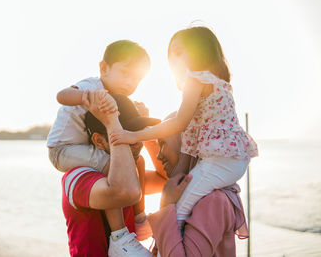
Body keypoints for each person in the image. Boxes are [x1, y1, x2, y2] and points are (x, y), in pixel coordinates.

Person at [110, 26, 258, 230]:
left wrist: (133, 135)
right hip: (231, 159)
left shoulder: (196, 79)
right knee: (180, 203)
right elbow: (190, 142)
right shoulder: (217, 82)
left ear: (200, 52)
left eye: (178, 52)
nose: (173, 60)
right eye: (171, 54)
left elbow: (178, 123)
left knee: (177, 212)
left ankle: (159, 242)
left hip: (220, 161)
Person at [47, 40, 154, 243]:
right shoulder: (93, 86)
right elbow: (61, 95)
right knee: (113, 168)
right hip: (63, 150)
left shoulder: (118, 97)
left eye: (137, 78)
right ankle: (120, 236)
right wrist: (87, 97)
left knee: (136, 161)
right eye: (125, 73)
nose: (131, 82)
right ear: (103, 68)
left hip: (85, 148)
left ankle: (139, 216)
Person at [61, 92, 160, 257]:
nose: (136, 143)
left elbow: (164, 178)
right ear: (99, 141)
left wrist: (146, 134)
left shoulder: (132, 169)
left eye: (136, 133)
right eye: (125, 134)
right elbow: (122, 191)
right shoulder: (78, 177)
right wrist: (113, 122)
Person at [145, 130, 249, 257]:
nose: (158, 156)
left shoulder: (214, 200)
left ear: (186, 147)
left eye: (163, 144)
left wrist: (166, 205)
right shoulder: (189, 195)